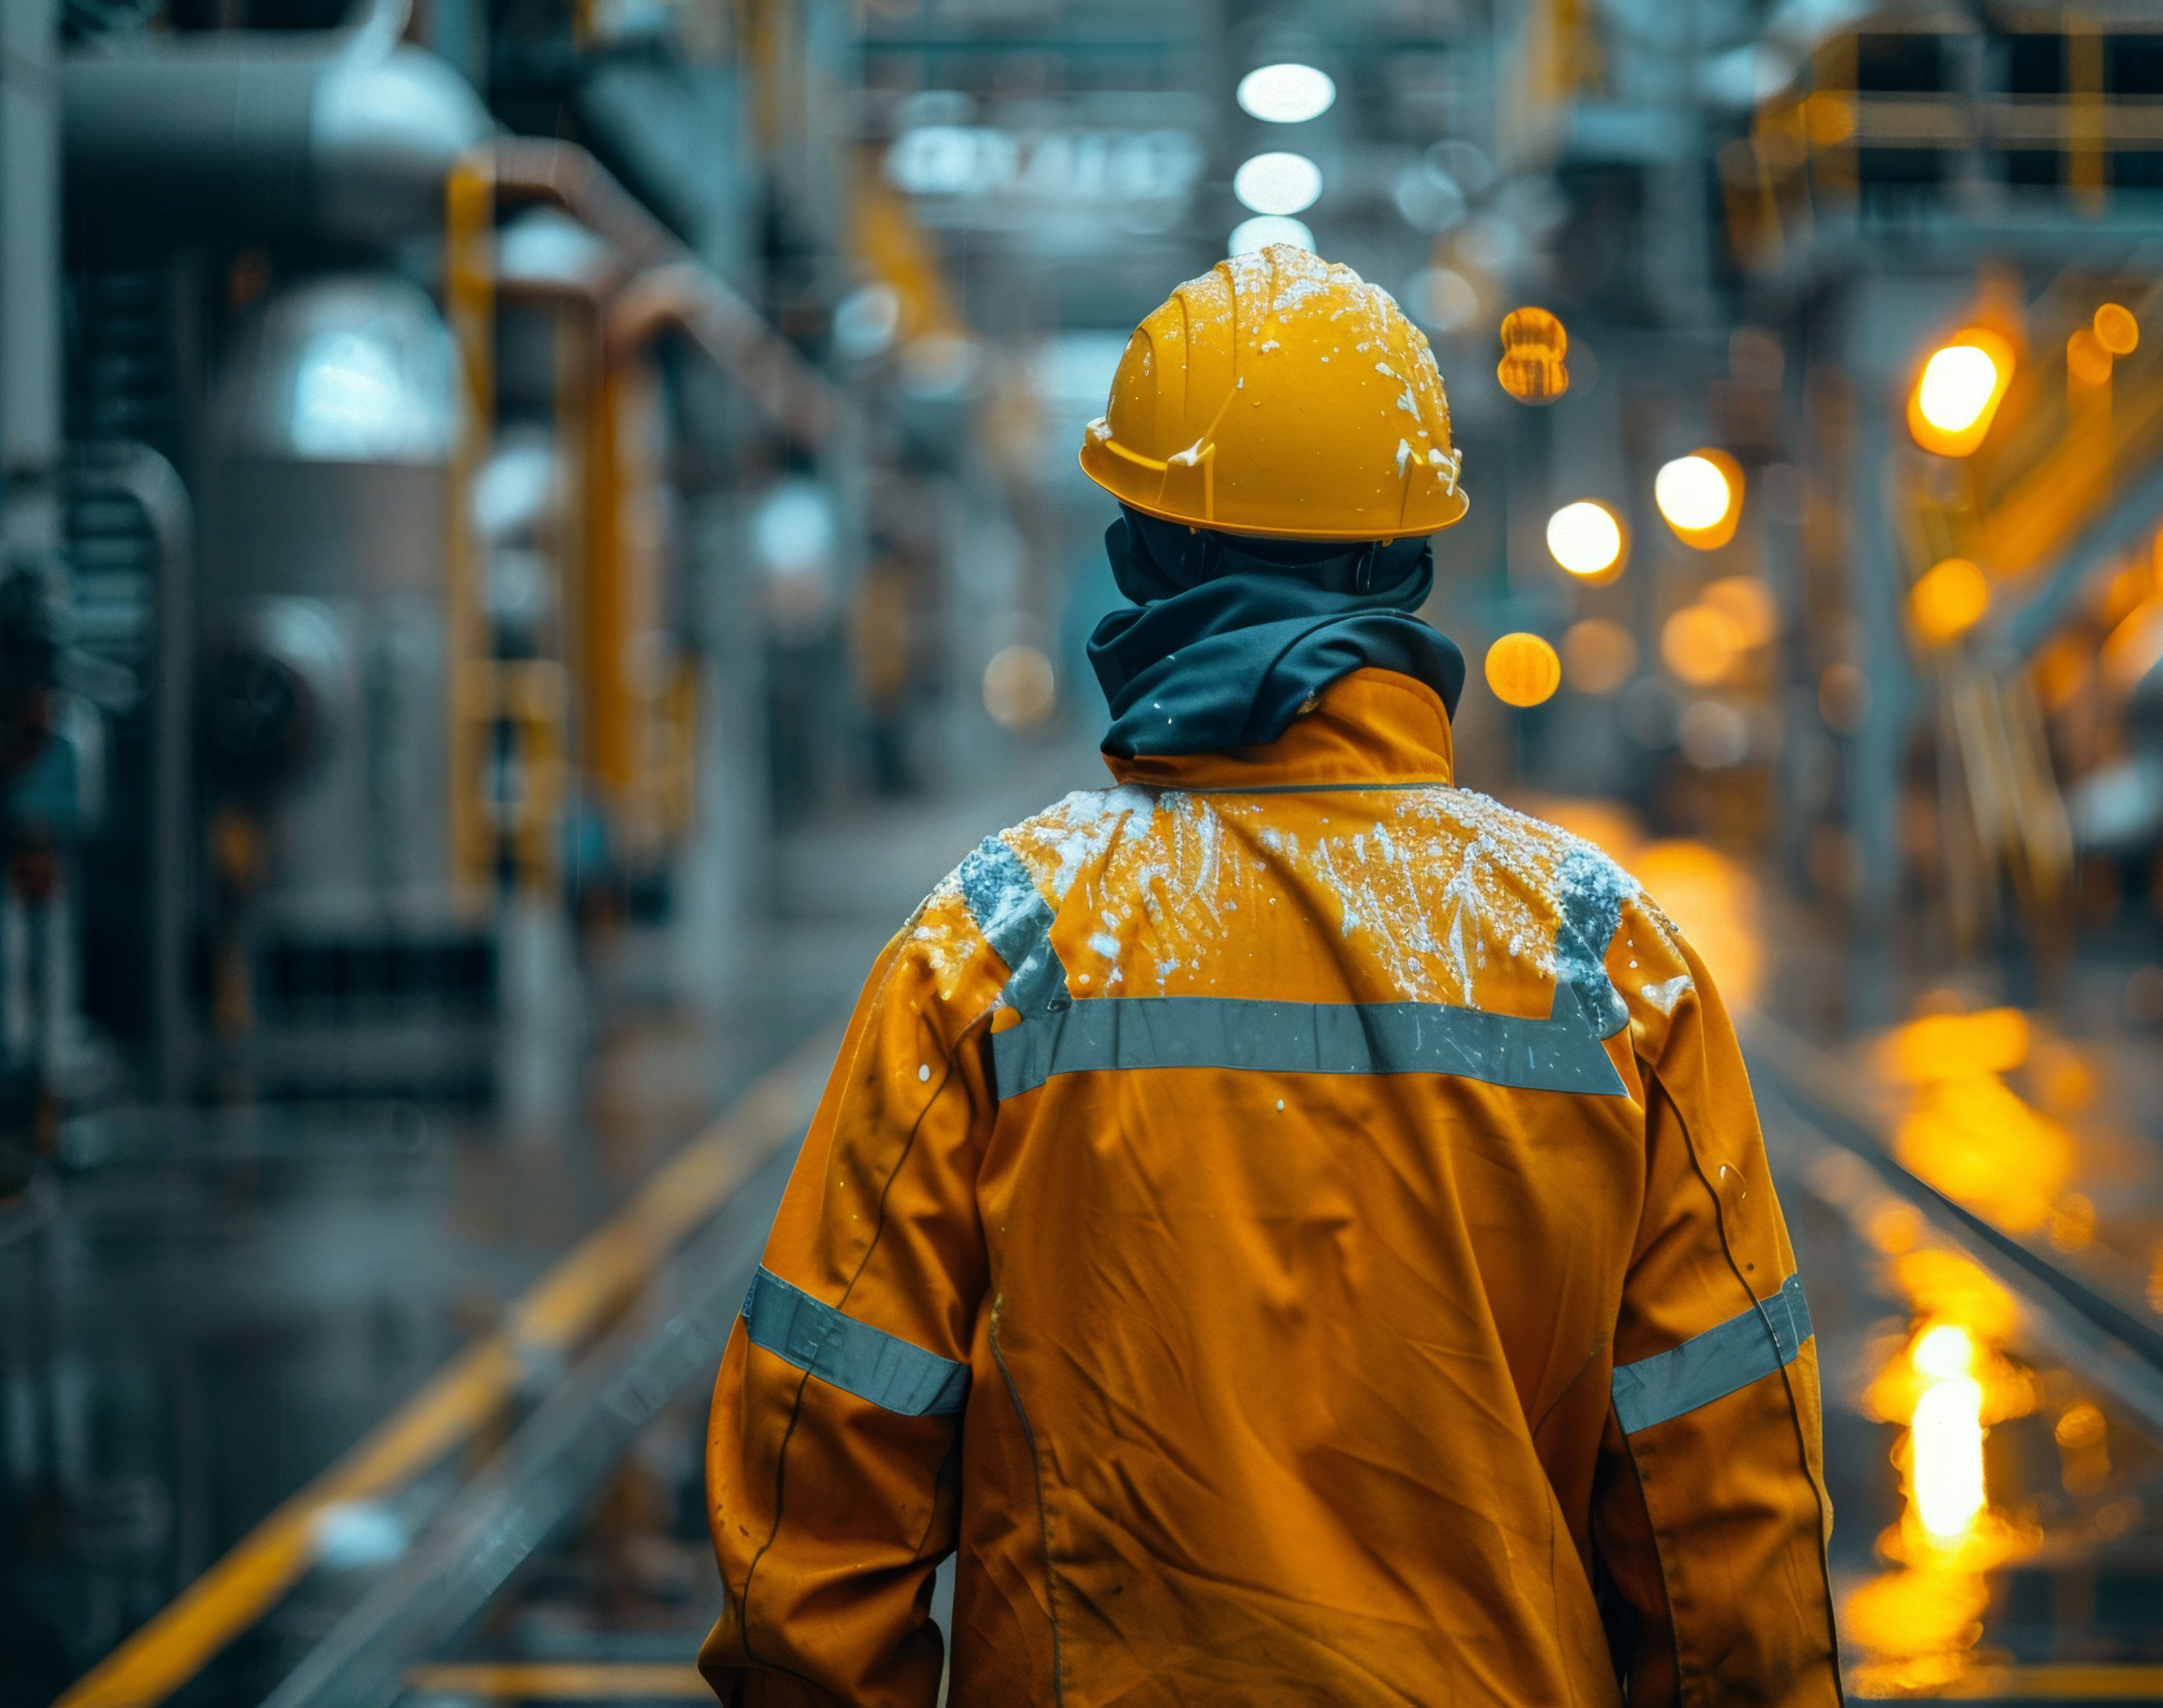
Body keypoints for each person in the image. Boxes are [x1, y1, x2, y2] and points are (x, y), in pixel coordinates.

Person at [699, 246, 1840, 1707]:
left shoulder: (990, 954)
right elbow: (1728, 1544)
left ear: (1139, 561)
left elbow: (813, 1520)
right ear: (1408, 565)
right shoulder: (1607, 967)